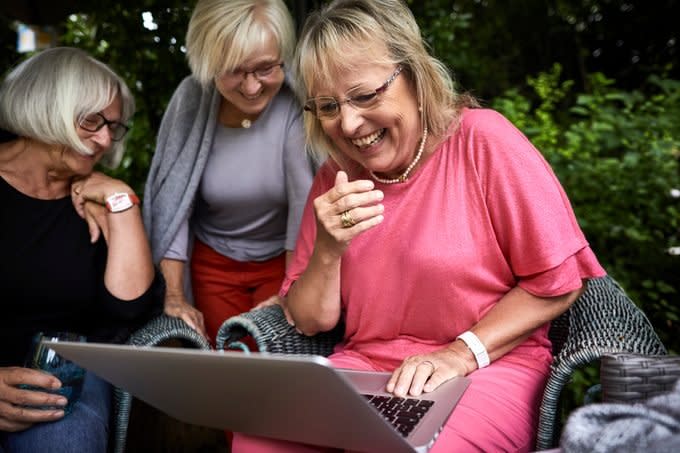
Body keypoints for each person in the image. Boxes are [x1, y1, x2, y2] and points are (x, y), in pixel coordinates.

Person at [232, 0, 607, 451]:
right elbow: (311, 321)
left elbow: (558, 282)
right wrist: (328, 250)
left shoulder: (483, 141)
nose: (349, 125)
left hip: (485, 370)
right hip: (365, 370)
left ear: (413, 74)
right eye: (328, 106)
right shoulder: (336, 175)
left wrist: (459, 352)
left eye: (366, 95)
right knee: (259, 437)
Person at [0, 47, 161, 452]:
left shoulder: (94, 198)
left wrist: (121, 199)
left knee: (63, 442)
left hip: (64, 377)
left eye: (113, 126)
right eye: (92, 121)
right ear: (46, 106)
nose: (105, 139)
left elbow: (131, 308)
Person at [143, 0, 316, 343]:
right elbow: (174, 206)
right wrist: (174, 296)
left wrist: (290, 287)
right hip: (212, 263)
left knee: (274, 357)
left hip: (284, 260)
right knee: (223, 362)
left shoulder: (299, 101)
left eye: (266, 68)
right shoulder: (191, 99)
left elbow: (305, 202)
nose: (251, 87)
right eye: (233, 71)